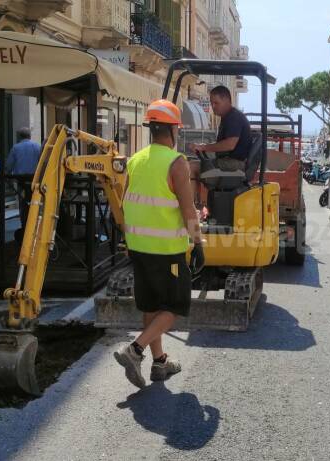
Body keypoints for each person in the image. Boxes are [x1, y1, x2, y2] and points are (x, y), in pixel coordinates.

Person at [114, 99, 205, 389]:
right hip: (166, 250)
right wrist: (197, 242)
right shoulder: (176, 162)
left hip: (138, 246)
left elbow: (126, 202)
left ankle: (160, 362)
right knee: (175, 306)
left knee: (151, 306)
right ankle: (135, 350)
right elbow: (188, 209)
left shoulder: (136, 160)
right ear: (174, 129)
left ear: (151, 128)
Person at [193, 85, 252, 173]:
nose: (213, 106)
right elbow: (222, 143)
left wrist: (204, 147)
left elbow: (229, 144)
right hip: (229, 161)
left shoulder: (234, 117)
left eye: (216, 103)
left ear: (226, 101)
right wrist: (204, 146)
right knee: (197, 162)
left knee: (193, 167)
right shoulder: (227, 117)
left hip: (235, 163)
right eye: (211, 103)